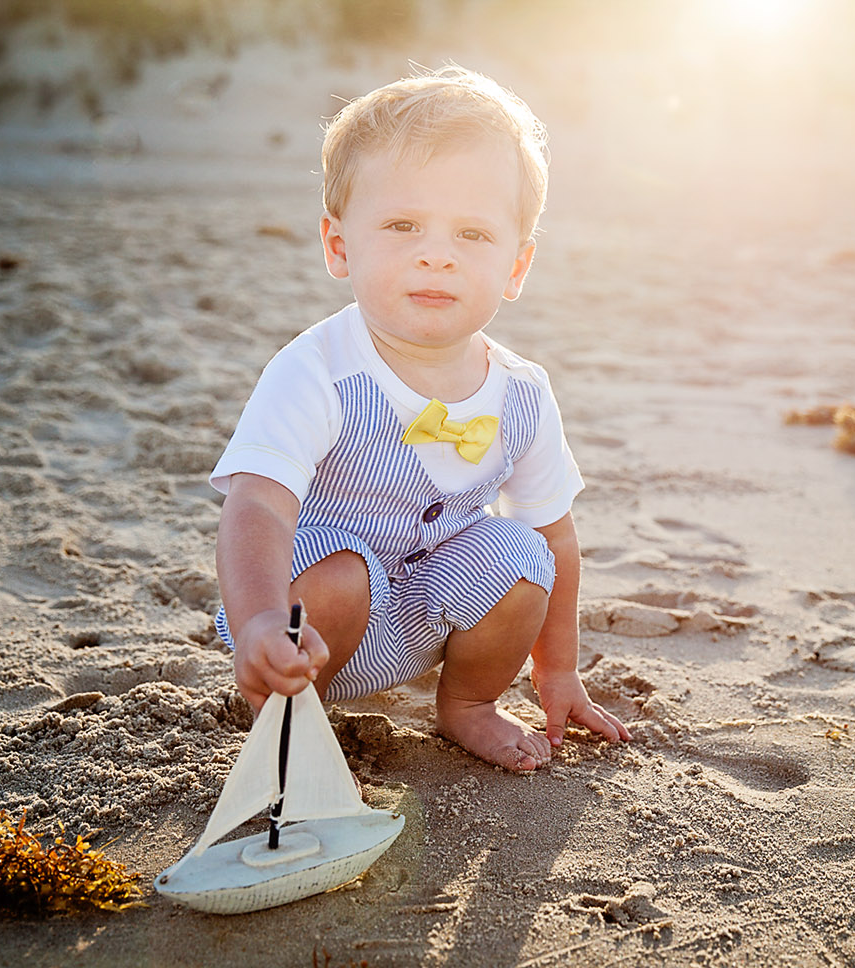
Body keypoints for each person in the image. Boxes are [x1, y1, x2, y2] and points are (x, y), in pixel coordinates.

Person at [210, 65, 630, 772]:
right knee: (341, 572)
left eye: (472, 234)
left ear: (517, 266)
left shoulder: (521, 392)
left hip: (425, 614)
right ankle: (285, 715)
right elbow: (259, 504)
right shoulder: (318, 369)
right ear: (340, 245)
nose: (437, 253)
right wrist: (258, 624)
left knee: (526, 556)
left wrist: (557, 671)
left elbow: (556, 533)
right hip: (304, 621)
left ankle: (466, 703)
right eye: (403, 225)